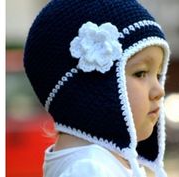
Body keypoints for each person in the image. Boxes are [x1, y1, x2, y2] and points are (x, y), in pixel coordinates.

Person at [23, 0, 170, 177]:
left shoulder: (109, 163)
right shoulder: (89, 169)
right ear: (90, 90)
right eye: (140, 73)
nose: (159, 91)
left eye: (158, 75)